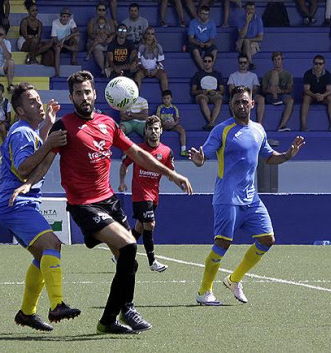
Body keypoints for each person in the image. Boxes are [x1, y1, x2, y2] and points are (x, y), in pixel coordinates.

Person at [10, 71, 193, 334]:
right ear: (72, 97)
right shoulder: (64, 126)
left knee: (129, 260)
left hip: (109, 200)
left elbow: (137, 153)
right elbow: (48, 160)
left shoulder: (109, 123)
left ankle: (108, 320)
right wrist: (28, 183)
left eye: (87, 91)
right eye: (78, 93)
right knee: (129, 245)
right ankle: (126, 310)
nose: (83, 97)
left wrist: (172, 174)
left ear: (96, 94)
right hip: (84, 204)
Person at [188, 85, 305, 306]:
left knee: (267, 239)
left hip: (252, 198)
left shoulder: (259, 130)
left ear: (252, 104)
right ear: (231, 105)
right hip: (227, 197)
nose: (241, 105)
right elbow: (204, 156)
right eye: (237, 102)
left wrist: (288, 155)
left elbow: (269, 157)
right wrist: (198, 160)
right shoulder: (222, 130)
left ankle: (234, 280)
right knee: (222, 243)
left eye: (245, 101)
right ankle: (204, 292)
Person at [0, 82, 81, 332]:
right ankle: (57, 305)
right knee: (53, 244)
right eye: (31, 101)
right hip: (15, 203)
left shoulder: (27, 131)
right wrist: (50, 141)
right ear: (20, 110)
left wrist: (48, 125)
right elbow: (23, 168)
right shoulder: (21, 132)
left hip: (18, 203)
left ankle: (27, 313)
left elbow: (38, 151)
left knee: (44, 255)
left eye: (38, 98)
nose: (38, 104)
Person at [118, 115, 172, 273]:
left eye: (156, 129)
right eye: (150, 129)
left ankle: (121, 253)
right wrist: (122, 181)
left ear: (161, 131)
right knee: (150, 224)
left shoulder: (167, 151)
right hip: (140, 194)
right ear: (145, 131)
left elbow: (170, 171)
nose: (153, 132)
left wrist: (177, 179)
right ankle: (152, 261)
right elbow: (124, 164)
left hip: (154, 195)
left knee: (141, 227)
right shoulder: (137, 150)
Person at [227, 54, 265, 124]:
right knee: (232, 100)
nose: (243, 64)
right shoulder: (233, 76)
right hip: (237, 96)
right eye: (241, 62)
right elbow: (231, 89)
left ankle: (259, 123)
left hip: (250, 95)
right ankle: (236, 121)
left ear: (248, 63)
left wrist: (247, 96)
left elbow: (255, 89)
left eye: (245, 62)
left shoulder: (253, 75)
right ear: (238, 64)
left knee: (261, 99)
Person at [261, 52, 294, 131]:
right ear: (272, 61)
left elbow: (290, 89)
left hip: (282, 95)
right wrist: (271, 90)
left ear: (282, 60)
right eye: (275, 60)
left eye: (279, 59)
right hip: (270, 96)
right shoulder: (268, 74)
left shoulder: (288, 74)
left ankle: (282, 126)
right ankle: (275, 97)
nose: (277, 61)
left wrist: (281, 91)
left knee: (290, 101)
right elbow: (263, 89)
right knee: (274, 73)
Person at [190, 53, 224, 130]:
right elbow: (193, 91)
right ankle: (211, 123)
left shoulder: (217, 74)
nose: (207, 63)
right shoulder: (198, 74)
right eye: (205, 61)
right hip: (202, 94)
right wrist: (201, 91)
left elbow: (222, 90)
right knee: (202, 99)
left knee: (219, 99)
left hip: (214, 94)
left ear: (212, 62)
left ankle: (211, 123)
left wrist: (216, 92)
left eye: (209, 61)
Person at [300, 55, 331, 131]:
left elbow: (329, 90)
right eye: (316, 63)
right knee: (306, 98)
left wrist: (322, 95)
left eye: (320, 64)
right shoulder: (308, 74)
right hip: (311, 96)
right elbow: (306, 90)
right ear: (313, 64)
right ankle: (303, 125)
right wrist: (314, 95)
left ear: (323, 65)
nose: (318, 65)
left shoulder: (328, 75)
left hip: (323, 96)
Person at [134, 26, 168, 94]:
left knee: (163, 75)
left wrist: (156, 70)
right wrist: (144, 70)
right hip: (143, 70)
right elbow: (138, 61)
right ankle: (136, 97)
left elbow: (161, 61)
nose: (150, 35)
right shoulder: (140, 46)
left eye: (152, 34)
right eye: (148, 33)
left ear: (154, 36)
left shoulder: (158, 47)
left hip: (155, 70)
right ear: (145, 35)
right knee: (137, 75)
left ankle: (166, 96)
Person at [18, 1, 53, 65]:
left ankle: (30, 56)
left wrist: (35, 39)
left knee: (50, 44)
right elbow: (26, 36)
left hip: (35, 42)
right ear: (29, 11)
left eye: (36, 10)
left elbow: (39, 37)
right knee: (35, 40)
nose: (35, 12)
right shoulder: (25, 21)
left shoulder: (39, 23)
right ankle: (33, 58)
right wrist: (33, 38)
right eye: (33, 10)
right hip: (23, 42)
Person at [86, 2, 115, 73]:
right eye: (99, 10)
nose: (101, 12)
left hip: (107, 41)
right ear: (96, 11)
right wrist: (97, 38)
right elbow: (90, 33)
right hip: (95, 41)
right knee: (97, 48)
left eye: (103, 10)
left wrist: (110, 38)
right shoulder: (92, 21)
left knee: (111, 47)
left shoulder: (110, 21)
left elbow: (114, 33)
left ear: (106, 11)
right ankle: (103, 69)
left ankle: (107, 68)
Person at [156, 90, 187, 156]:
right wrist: (163, 123)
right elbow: (158, 118)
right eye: (164, 98)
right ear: (162, 99)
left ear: (171, 99)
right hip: (163, 125)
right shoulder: (160, 108)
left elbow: (177, 119)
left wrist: (173, 124)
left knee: (182, 130)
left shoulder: (174, 108)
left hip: (172, 126)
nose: (166, 100)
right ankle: (157, 149)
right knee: (156, 130)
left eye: (168, 98)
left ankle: (183, 149)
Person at [51, 7, 79, 77]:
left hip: (66, 41)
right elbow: (54, 38)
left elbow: (77, 32)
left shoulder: (71, 21)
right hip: (58, 42)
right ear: (60, 16)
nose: (65, 18)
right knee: (57, 49)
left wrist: (67, 37)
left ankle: (73, 60)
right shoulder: (55, 22)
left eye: (67, 17)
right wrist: (60, 43)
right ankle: (57, 72)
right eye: (64, 16)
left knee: (76, 38)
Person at [188, 5, 217, 70]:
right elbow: (190, 39)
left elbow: (212, 39)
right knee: (195, 50)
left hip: (207, 43)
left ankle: (210, 68)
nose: (204, 16)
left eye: (206, 14)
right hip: (196, 43)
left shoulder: (212, 23)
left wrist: (209, 43)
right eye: (203, 14)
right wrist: (198, 43)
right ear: (199, 13)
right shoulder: (193, 22)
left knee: (214, 49)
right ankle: (204, 70)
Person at [236, 2, 263, 70]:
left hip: (253, 43)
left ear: (254, 10)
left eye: (252, 9)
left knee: (247, 43)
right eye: (248, 9)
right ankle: (249, 62)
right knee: (245, 42)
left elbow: (260, 38)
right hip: (241, 42)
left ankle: (250, 62)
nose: (250, 11)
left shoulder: (258, 20)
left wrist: (248, 40)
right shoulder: (240, 19)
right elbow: (241, 35)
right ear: (245, 10)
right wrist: (247, 22)